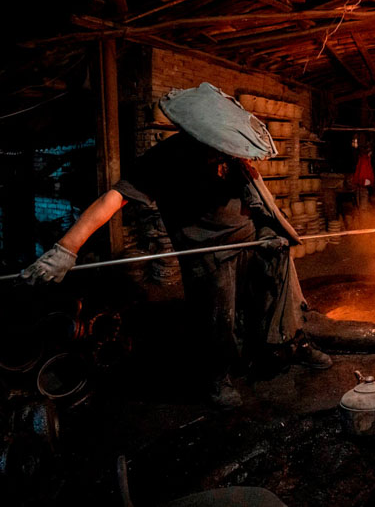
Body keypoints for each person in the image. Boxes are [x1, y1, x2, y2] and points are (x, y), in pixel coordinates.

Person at [22, 83, 331, 408]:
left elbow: (253, 197)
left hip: (251, 238)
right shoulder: (165, 159)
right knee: (217, 316)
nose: (224, 151)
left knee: (276, 289)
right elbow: (112, 199)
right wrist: (66, 248)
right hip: (206, 250)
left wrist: (270, 230)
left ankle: (290, 344)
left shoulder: (231, 150)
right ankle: (217, 375)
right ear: (197, 135)